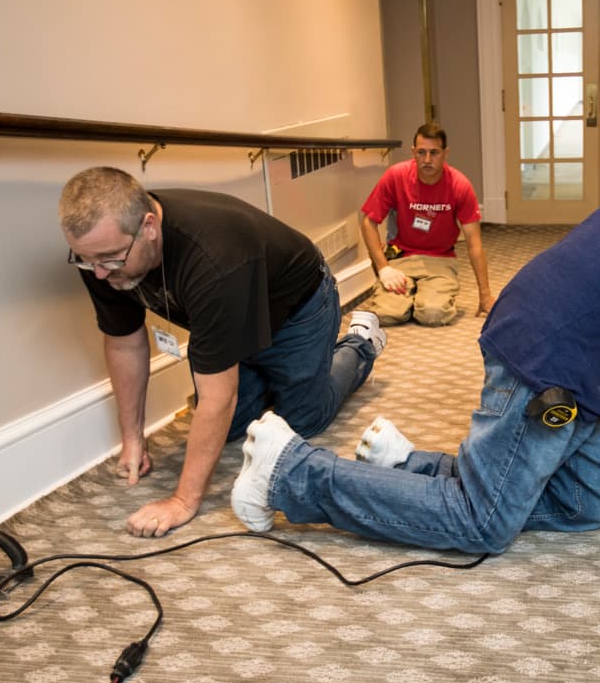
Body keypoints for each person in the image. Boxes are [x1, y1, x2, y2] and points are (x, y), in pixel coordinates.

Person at [230, 156, 600, 553]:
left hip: (554, 331)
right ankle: (291, 473)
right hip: (554, 358)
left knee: (585, 506)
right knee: (481, 524)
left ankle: (407, 463)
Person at [58, 166, 386, 538]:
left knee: (302, 421)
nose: (99, 274)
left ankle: (360, 343)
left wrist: (182, 501)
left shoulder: (213, 258)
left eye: (111, 259)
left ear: (149, 227)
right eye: (86, 260)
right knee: (230, 428)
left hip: (298, 309)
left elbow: (219, 396)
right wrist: (132, 437)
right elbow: (124, 340)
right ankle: (270, 375)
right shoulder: (103, 253)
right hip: (232, 314)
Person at [359, 122, 494, 325]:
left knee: (433, 314)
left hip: (440, 260)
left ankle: (421, 297)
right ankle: (405, 298)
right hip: (401, 259)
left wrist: (485, 295)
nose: (427, 160)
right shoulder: (396, 176)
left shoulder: (459, 185)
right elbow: (369, 221)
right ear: (413, 152)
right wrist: (384, 267)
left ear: (445, 153)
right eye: (421, 152)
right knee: (386, 315)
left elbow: (475, 244)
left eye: (434, 153)